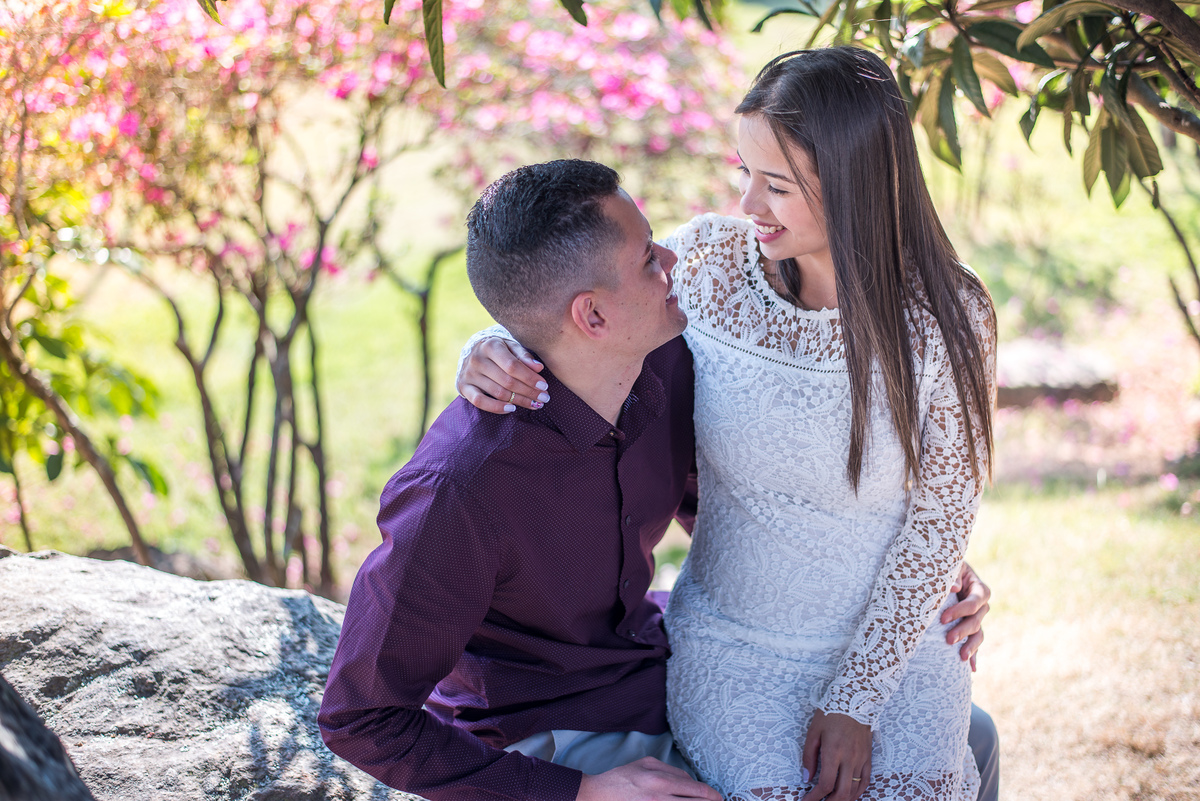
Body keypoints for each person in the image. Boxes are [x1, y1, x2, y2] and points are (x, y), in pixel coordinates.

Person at [320, 159, 993, 801]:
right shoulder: (460, 489)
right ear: (592, 316)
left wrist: (922, 570)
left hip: (653, 663)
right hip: (546, 729)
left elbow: (734, 498)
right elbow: (360, 717)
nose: (673, 259)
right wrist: (577, 792)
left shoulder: (662, 364)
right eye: (648, 258)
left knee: (974, 735)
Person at [455, 48, 998, 801]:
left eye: (776, 185)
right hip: (735, 645)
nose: (749, 204)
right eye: (745, 172)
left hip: (895, 648)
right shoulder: (713, 264)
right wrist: (489, 347)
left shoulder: (952, 314)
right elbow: (577, 304)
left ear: (854, 184)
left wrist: (855, 699)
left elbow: (941, 518)